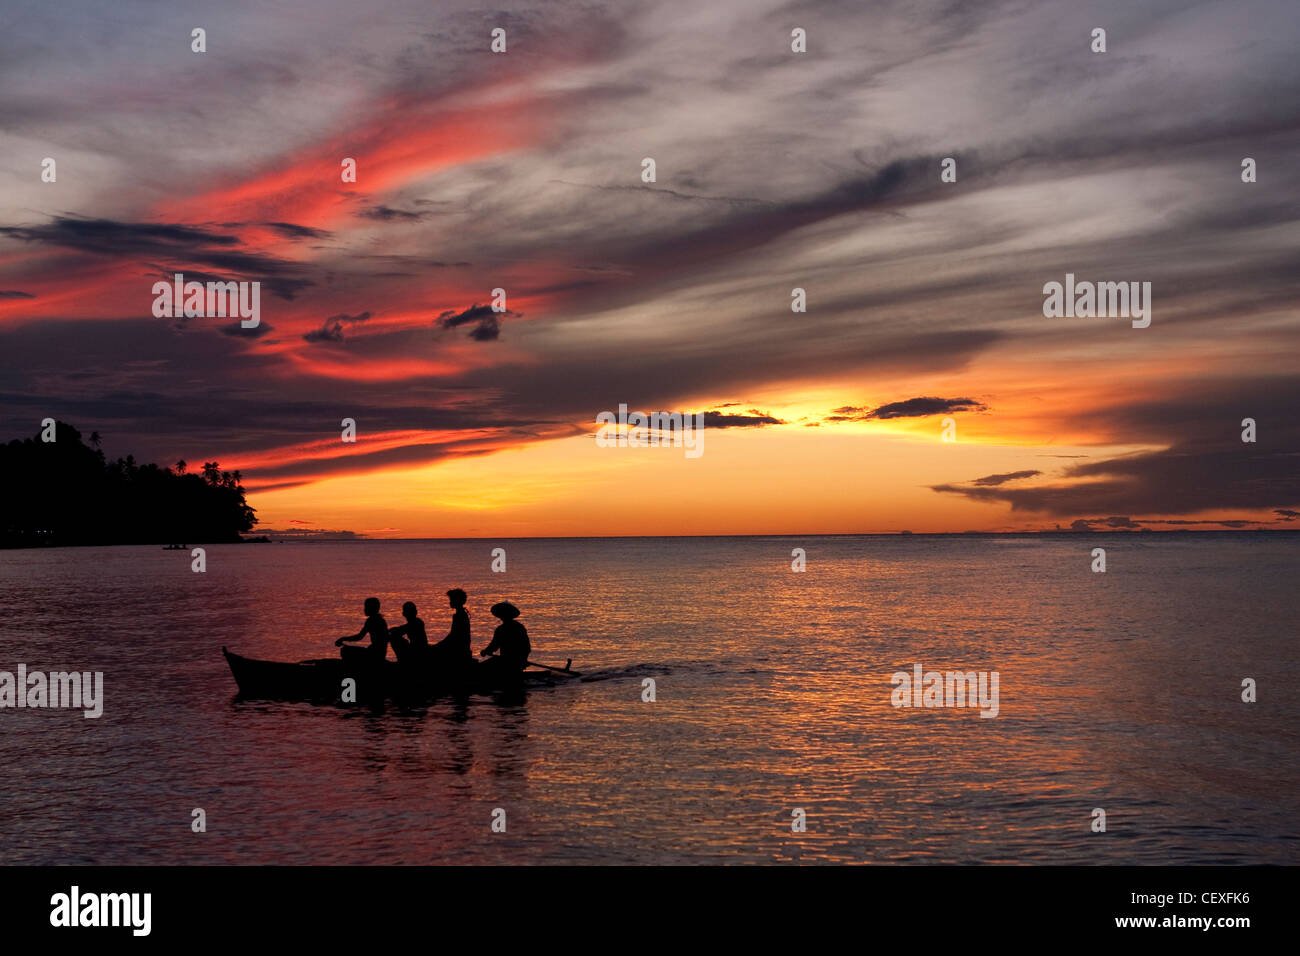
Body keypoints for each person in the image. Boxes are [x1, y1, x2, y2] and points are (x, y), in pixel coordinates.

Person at [479, 601, 530, 678]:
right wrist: (486, 651)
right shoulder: (517, 627)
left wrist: (485, 651)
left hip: (509, 662)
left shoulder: (503, 629)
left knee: (481, 668)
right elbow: (493, 646)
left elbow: (493, 646)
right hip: (511, 661)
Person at [429, 588, 473, 669]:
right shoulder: (462, 614)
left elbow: (454, 636)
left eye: (452, 600)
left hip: (459, 649)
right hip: (461, 647)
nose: (450, 602)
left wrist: (439, 645)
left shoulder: (459, 616)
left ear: (457, 601)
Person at [336, 597, 389, 662]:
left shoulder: (371, 621)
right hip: (381, 653)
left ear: (371, 608)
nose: (364, 609)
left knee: (345, 650)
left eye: (366, 607)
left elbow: (359, 637)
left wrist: (343, 639)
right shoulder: (381, 620)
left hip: (374, 653)